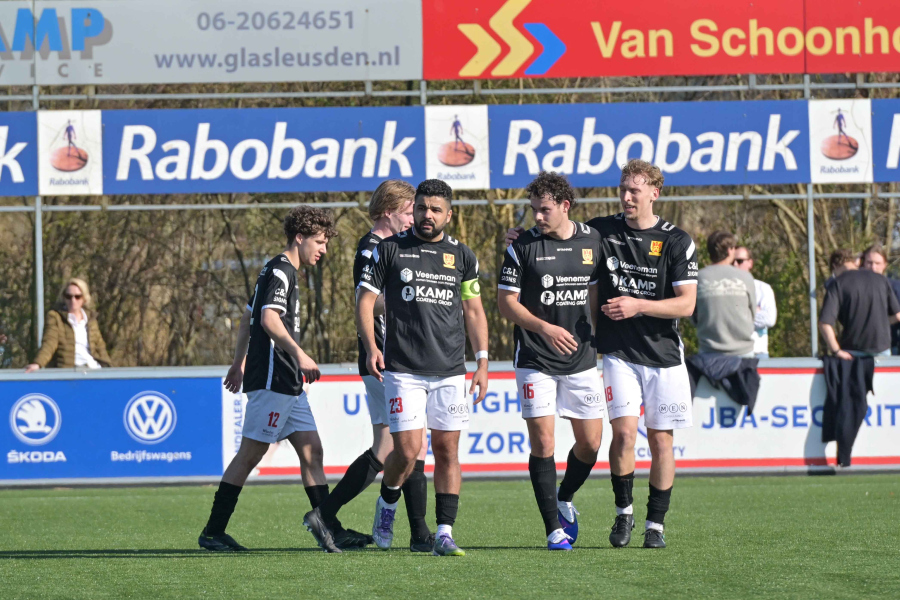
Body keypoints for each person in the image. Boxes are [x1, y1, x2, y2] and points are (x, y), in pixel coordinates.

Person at [507, 159, 698, 549]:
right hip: (616, 352)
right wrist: (522, 238)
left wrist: (638, 305)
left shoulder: (678, 241)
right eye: (623, 189)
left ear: (654, 193)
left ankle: (655, 525)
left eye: (634, 190)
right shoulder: (601, 231)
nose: (626, 197)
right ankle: (624, 514)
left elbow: (687, 304)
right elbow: (560, 233)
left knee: (662, 441)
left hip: (664, 355)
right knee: (624, 434)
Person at [357, 179, 489, 557]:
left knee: (447, 450)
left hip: (450, 369)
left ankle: (444, 532)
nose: (427, 215)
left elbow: (474, 311)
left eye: (435, 210)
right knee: (408, 450)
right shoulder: (389, 249)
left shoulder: (463, 256)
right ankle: (387, 502)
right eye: (421, 208)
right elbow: (364, 300)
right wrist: (371, 348)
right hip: (403, 370)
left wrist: (482, 361)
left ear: (449, 215)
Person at [199, 206, 339, 553]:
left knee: (312, 451)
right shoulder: (281, 270)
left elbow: (247, 317)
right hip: (274, 379)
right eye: (320, 242)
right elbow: (268, 319)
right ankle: (213, 532)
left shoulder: (273, 269)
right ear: (300, 238)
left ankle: (329, 528)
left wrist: (238, 363)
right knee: (250, 455)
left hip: (288, 383)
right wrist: (300, 354)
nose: (323, 250)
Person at [308, 180, 435, 552]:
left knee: (386, 448)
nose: (413, 219)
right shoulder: (373, 248)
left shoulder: (390, 246)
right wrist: (409, 297)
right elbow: (367, 300)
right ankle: (419, 533)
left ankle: (324, 515)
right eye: (409, 212)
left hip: (387, 360)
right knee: (413, 447)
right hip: (385, 359)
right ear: (388, 211)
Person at [497, 172, 605, 551]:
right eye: (534, 210)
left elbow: (596, 293)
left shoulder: (593, 241)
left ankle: (564, 496)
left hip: (581, 358)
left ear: (565, 206)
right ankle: (553, 530)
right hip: (535, 357)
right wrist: (545, 328)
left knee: (591, 444)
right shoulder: (522, 246)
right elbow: (505, 304)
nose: (538, 217)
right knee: (543, 441)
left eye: (544, 210)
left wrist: (600, 337)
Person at [820, 249, 900, 359]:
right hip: (882, 348)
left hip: (852, 350)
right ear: (855, 262)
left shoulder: (838, 283)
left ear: (834, 266)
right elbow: (897, 315)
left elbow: (824, 323)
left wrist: (836, 351)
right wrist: (881, 323)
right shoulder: (881, 280)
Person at [26, 278, 113, 372]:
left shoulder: (91, 320)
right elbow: (49, 343)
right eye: (68, 296)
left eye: (77, 297)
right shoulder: (55, 317)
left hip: (93, 369)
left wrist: (109, 369)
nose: (73, 300)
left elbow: (100, 347)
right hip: (70, 371)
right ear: (64, 298)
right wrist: (38, 363)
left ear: (84, 299)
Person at [693, 232, 756, 357]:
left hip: (708, 352)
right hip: (743, 352)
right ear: (730, 250)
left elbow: (693, 316)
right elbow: (752, 313)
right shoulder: (745, 277)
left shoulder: (698, 278)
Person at [734, 246, 777, 359]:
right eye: (732, 261)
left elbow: (769, 319)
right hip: (732, 355)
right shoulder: (724, 289)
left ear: (750, 263)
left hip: (758, 354)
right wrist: (754, 311)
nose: (735, 264)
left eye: (739, 261)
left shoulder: (763, 288)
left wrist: (737, 314)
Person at [862, 245, 900, 355]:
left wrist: (877, 324)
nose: (873, 267)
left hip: (890, 345)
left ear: (885, 265)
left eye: (877, 263)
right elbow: (831, 284)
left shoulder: (895, 287)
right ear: (863, 263)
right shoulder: (854, 285)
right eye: (869, 263)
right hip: (858, 347)